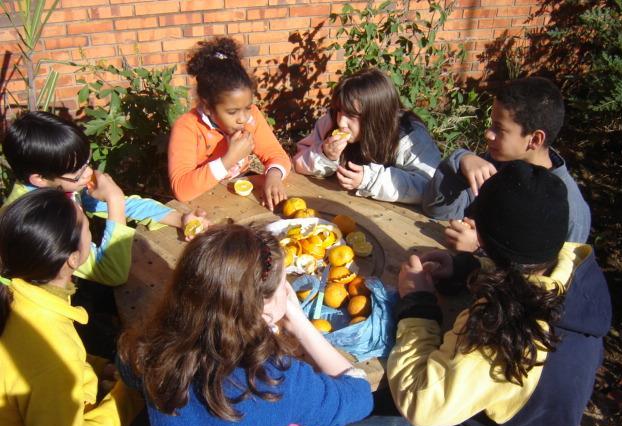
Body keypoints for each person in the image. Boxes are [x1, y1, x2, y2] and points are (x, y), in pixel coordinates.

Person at [320, 161, 611, 426]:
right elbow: (526, 274)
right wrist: (468, 269)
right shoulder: (571, 267)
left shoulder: (508, 324)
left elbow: (421, 401)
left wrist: (417, 303)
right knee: (382, 400)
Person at [118, 224, 372, 426]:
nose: (287, 291)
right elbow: (358, 399)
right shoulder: (277, 378)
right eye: (284, 286)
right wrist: (300, 324)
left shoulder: (148, 350)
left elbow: (126, 369)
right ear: (263, 309)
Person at [0, 189, 143, 426]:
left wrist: (97, 367)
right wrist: (127, 395)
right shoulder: (49, 353)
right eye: (89, 227)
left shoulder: (22, 295)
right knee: (156, 419)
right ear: (73, 260)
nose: (92, 232)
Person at [2, 111, 209, 286]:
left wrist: (179, 219)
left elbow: (123, 206)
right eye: (78, 172)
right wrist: (114, 199)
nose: (88, 173)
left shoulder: (60, 181)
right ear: (39, 179)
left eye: (87, 162)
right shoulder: (40, 221)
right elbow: (112, 272)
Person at [422, 76, 591, 251]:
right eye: (491, 124)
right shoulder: (497, 165)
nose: (488, 134)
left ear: (535, 139)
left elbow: (551, 276)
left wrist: (482, 247)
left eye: (499, 128)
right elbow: (437, 210)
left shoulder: (570, 210)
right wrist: (461, 161)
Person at [168, 37, 291, 209]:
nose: (242, 118)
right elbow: (182, 189)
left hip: (241, 194)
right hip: (203, 201)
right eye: (232, 112)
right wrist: (229, 159)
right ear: (208, 106)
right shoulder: (188, 127)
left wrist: (274, 175)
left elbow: (276, 154)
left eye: (247, 107)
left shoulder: (251, 116)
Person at [293, 68, 441, 204]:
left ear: (376, 116)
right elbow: (298, 161)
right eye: (339, 110)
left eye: (351, 115)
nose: (341, 121)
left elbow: (429, 188)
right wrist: (325, 155)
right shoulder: (331, 121)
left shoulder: (410, 137)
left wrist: (370, 179)